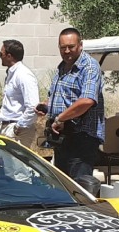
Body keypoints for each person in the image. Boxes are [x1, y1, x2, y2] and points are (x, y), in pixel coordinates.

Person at [39, 27, 105, 185]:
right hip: (63, 138)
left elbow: (87, 100)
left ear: (80, 45)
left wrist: (60, 118)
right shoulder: (62, 67)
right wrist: (46, 105)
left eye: (71, 47)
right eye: (63, 48)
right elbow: (61, 98)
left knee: (78, 188)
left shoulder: (89, 67)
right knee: (64, 187)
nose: (67, 51)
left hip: (81, 138)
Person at [0, 39, 39, 148]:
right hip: (7, 127)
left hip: (18, 130)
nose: (0, 56)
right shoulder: (11, 73)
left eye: (1, 54)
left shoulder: (23, 75)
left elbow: (33, 107)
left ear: (9, 56)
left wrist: (18, 127)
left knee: (15, 164)